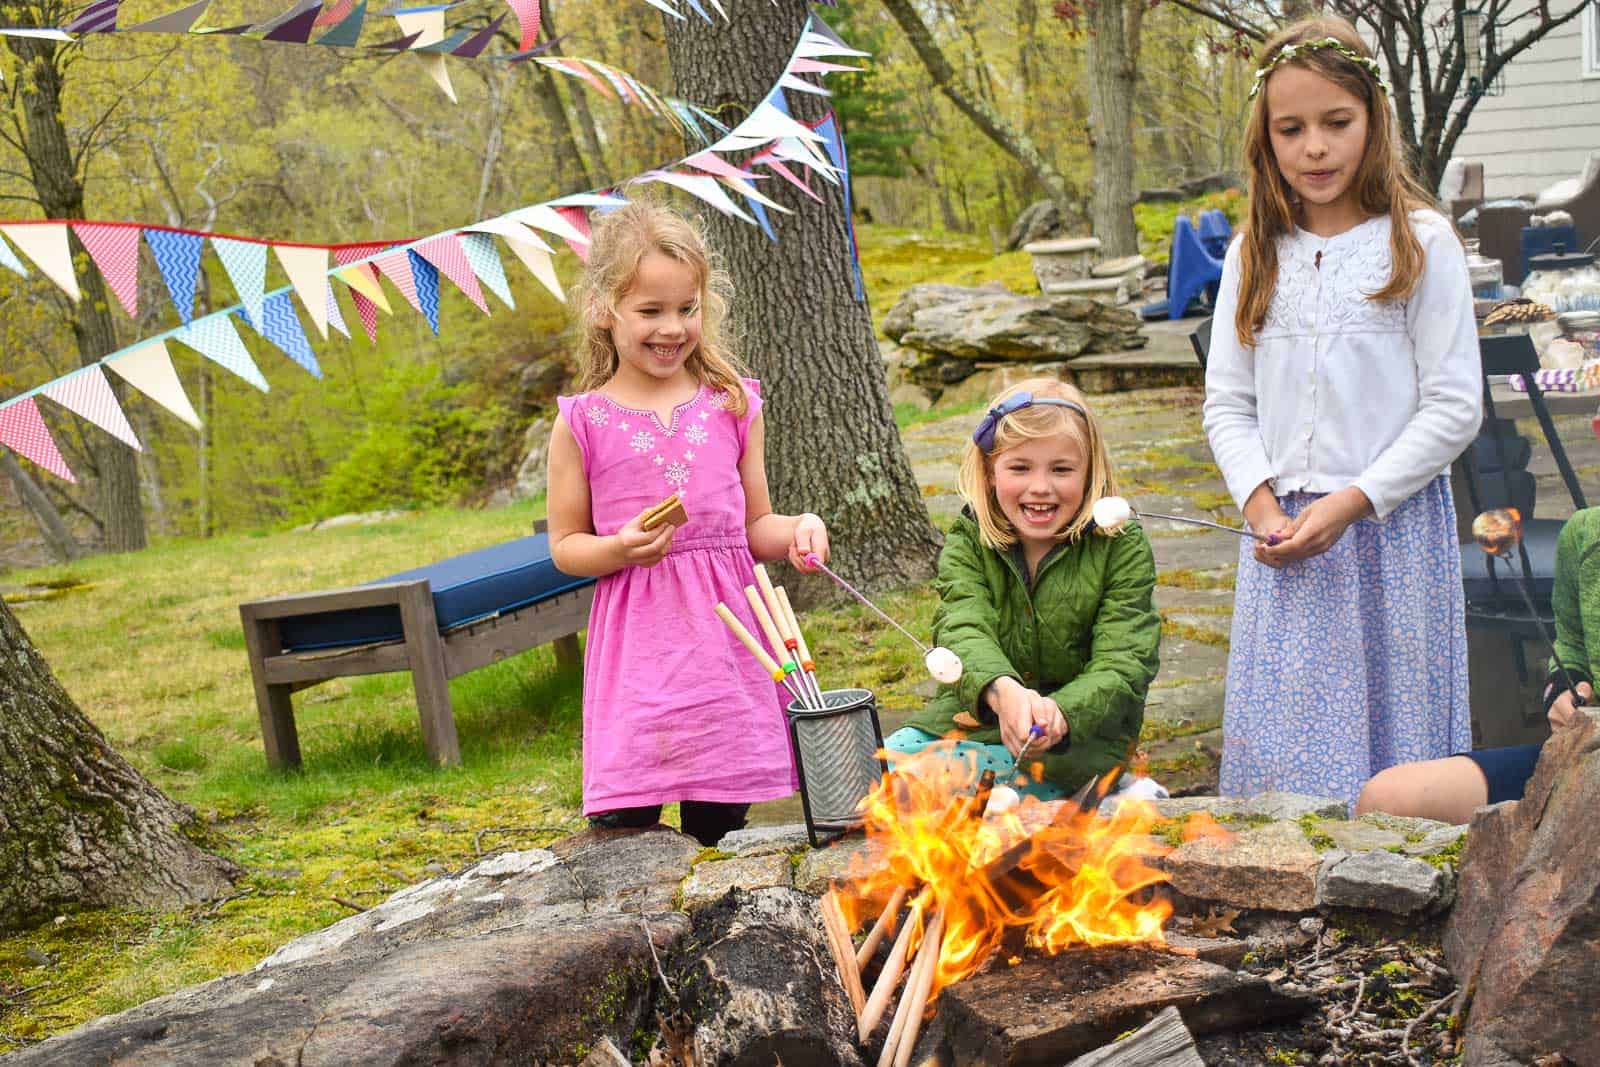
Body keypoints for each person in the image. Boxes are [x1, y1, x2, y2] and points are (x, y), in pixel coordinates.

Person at [1202, 16, 1483, 806]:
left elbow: (1455, 405)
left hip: (1386, 535)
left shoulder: (1418, 242)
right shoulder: (1254, 252)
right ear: (1266, 139)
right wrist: (1260, 502)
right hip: (1286, 544)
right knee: (1290, 755)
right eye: (1291, 129)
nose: (1314, 148)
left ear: (1374, 120)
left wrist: (1354, 501)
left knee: (1390, 771)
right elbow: (1227, 400)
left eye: (1336, 123)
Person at [545, 200, 829, 847]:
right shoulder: (583, 421)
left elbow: (755, 525)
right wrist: (618, 547)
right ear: (603, 309)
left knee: (720, 826)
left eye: (686, 308)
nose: (671, 327)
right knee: (625, 828)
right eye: (650, 311)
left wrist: (798, 530)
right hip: (640, 657)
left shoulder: (732, 405)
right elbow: (565, 546)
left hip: (728, 651)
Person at [889, 379, 1161, 797]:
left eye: (1062, 469)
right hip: (980, 715)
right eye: (1020, 468)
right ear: (989, 471)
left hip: (1077, 737)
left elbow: (1125, 661)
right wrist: (1002, 692)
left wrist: (1060, 713)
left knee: (984, 796)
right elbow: (962, 628)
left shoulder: (1120, 546)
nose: (1040, 487)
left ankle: (1106, 790)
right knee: (885, 772)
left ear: (1090, 474)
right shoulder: (969, 541)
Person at [1356, 508, 1600, 824]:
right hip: (1586, 760)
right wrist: (1565, 691)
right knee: (1388, 798)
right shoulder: (1586, 533)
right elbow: (1570, 646)